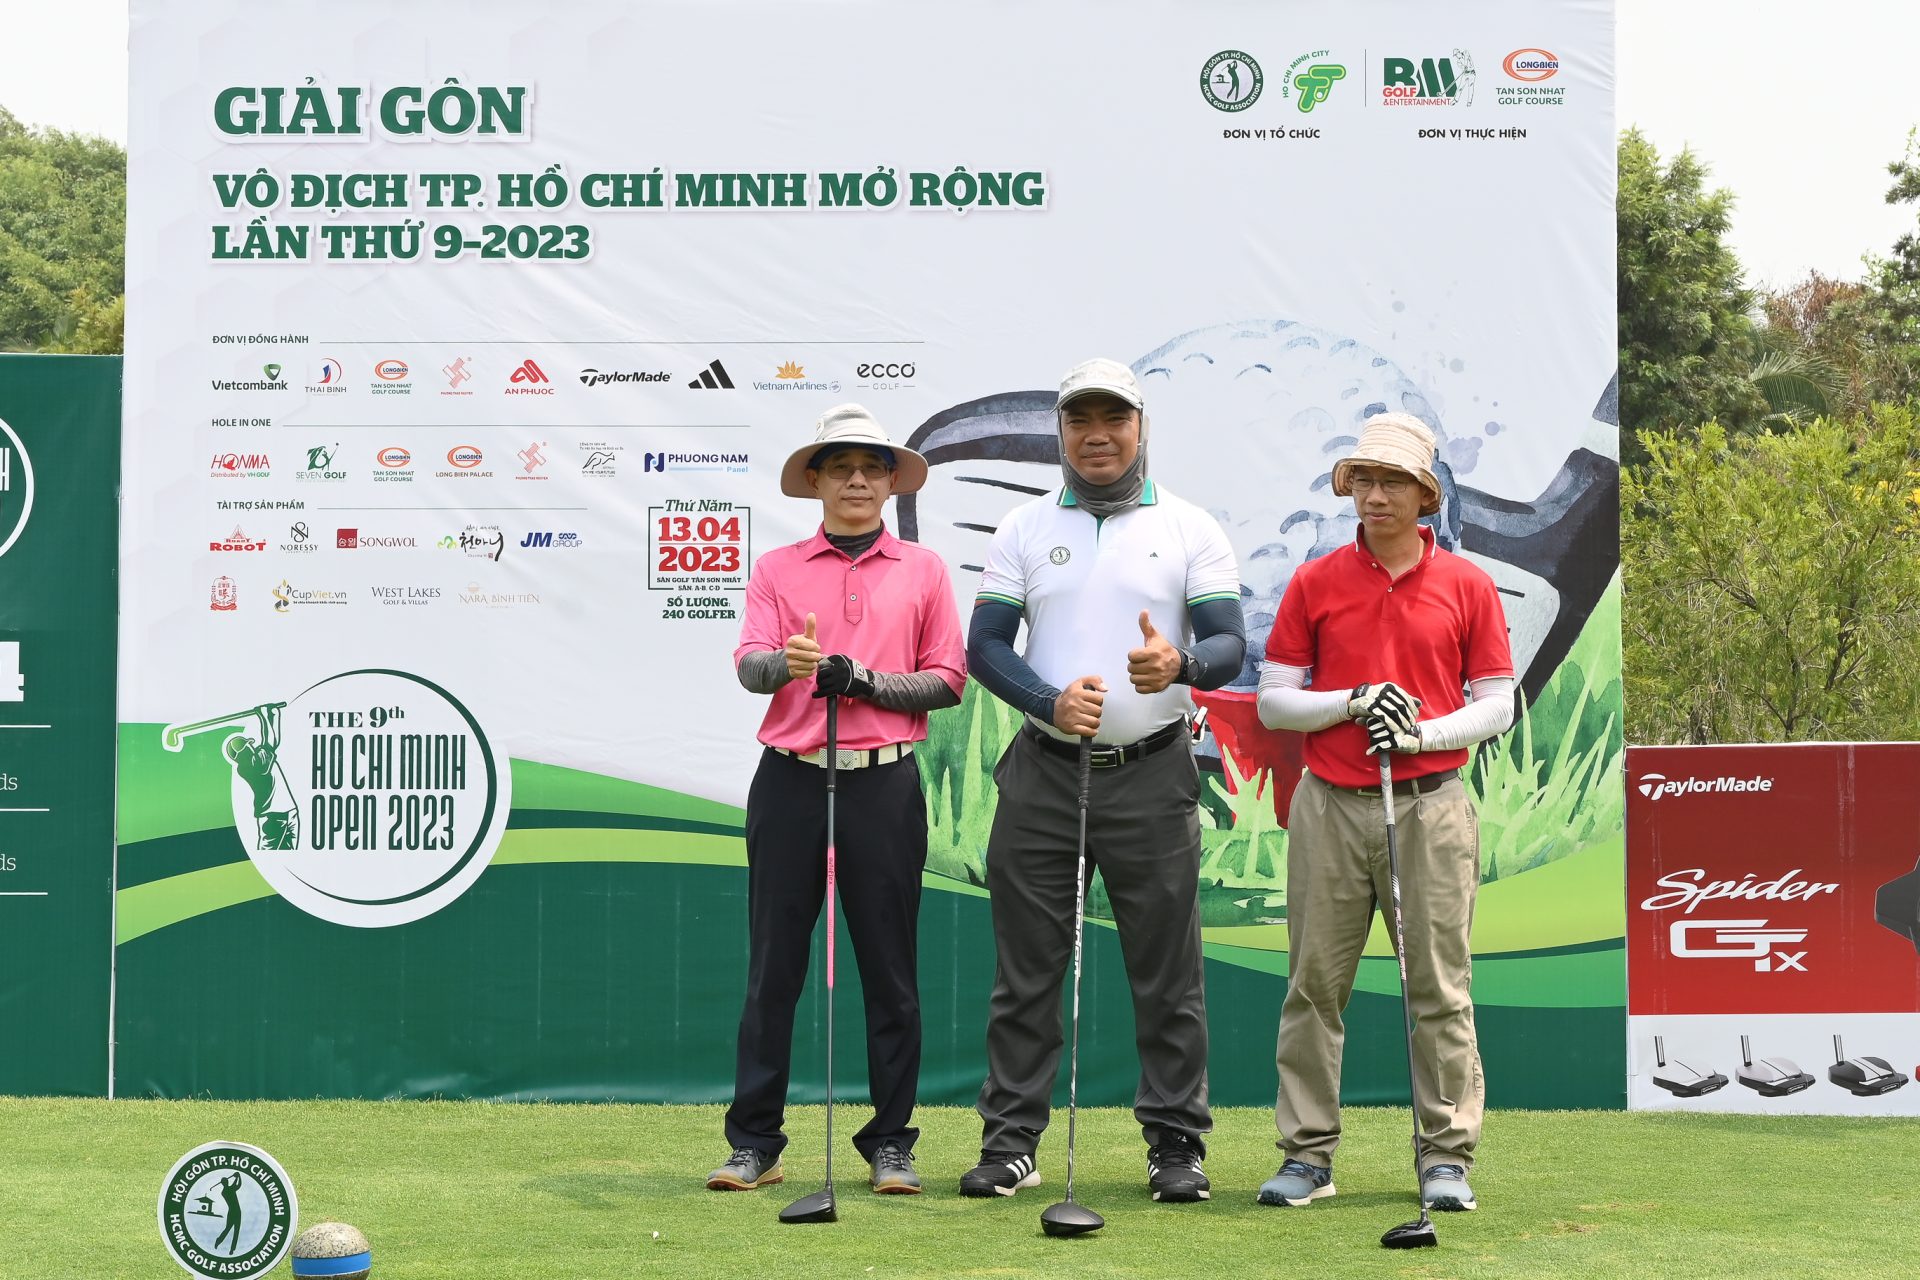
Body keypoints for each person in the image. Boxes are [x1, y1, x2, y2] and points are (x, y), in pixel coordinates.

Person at [962, 357, 1246, 1203]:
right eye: (1079, 420)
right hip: (1043, 775)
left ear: (1140, 426)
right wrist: (1047, 702)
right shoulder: (1023, 526)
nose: (1097, 435)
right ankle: (1012, 1142)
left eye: (1113, 419)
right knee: (1027, 972)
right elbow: (986, 646)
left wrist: (1181, 664)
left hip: (1152, 774)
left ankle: (1176, 1147)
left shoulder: (1190, 526)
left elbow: (1229, 644)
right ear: (1060, 431)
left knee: (1168, 973)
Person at [1254, 411, 1514, 1213]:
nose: (1375, 495)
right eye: (1363, 480)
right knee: (1313, 987)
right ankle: (1307, 1156)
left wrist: (1420, 732)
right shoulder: (1316, 580)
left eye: (1393, 481)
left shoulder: (1467, 584)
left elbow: (1497, 703)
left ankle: (1446, 1157)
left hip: (1431, 805)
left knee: (1439, 988)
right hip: (1329, 804)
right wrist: (1353, 702)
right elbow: (1273, 702)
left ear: (1425, 494)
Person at [707, 404, 966, 1197]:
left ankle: (891, 1142)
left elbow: (946, 680)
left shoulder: (924, 569)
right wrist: (788, 665)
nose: (858, 479)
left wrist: (865, 680)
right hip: (790, 777)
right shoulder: (777, 568)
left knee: (890, 971)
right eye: (841, 467)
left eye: (872, 467)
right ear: (815, 481)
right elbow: (749, 665)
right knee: (773, 969)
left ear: (891, 482)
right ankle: (755, 1142)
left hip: (883, 783)